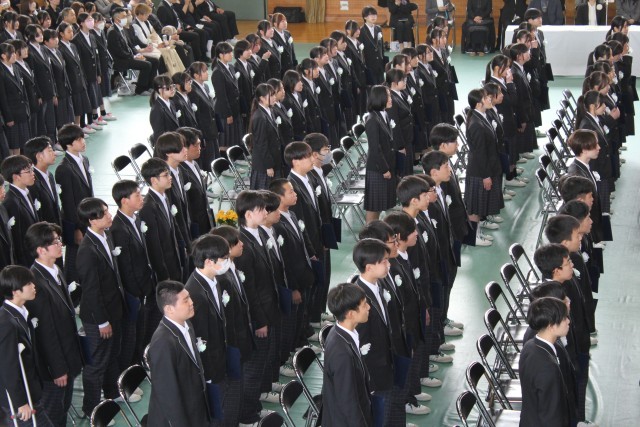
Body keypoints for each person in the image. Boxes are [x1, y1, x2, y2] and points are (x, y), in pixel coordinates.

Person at [24, 222, 83, 427]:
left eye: (59, 239)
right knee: (54, 414)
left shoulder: (55, 269)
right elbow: (46, 332)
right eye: (55, 242)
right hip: (55, 367)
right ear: (41, 250)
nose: (60, 244)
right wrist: (57, 369)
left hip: (68, 354)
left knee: (63, 408)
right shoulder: (35, 283)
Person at [234, 190, 281, 425]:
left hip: (268, 307)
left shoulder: (259, 234)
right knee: (253, 368)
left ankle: (256, 402)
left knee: (263, 361)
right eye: (261, 209)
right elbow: (249, 290)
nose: (266, 212)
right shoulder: (242, 244)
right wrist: (260, 321)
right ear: (249, 214)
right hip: (258, 316)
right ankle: (247, 414)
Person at [76, 198, 126, 417]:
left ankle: (113, 393)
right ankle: (92, 409)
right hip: (98, 317)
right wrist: (102, 322)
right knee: (96, 364)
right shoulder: (87, 250)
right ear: (91, 220)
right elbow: (91, 290)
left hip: (113, 308)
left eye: (107, 211)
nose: (109, 215)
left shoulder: (106, 235)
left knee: (112, 355)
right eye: (103, 213)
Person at [147, 280, 211, 426]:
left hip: (195, 406)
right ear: (169, 309)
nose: (191, 302)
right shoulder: (163, 342)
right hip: (180, 417)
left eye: (189, 297)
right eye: (185, 300)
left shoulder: (186, 324)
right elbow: (167, 392)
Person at [209, 225, 253, 426]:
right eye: (237, 242)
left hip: (240, 340)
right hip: (232, 344)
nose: (242, 244)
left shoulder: (232, 268)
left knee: (238, 388)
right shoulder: (221, 278)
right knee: (231, 394)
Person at [352, 238, 399, 425]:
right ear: (369, 267)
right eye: (384, 261)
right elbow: (361, 343)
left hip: (386, 362)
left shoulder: (380, 285)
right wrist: (369, 379)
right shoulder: (358, 298)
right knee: (377, 416)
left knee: (387, 411)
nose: (389, 264)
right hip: (374, 370)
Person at [0, 265, 54, 427]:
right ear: (16, 291)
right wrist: (20, 402)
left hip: (32, 391)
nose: (33, 286)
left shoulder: (20, 312)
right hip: (21, 401)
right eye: (28, 284)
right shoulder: (6, 323)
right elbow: (8, 367)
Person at [110, 180, 156, 370]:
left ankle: (140, 360)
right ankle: (129, 369)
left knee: (141, 330)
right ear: (124, 200)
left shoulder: (135, 219)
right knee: (130, 334)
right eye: (137, 195)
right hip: (133, 292)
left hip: (144, 284)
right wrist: (137, 293)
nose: (141, 197)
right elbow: (125, 267)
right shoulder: (118, 229)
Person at [185, 234, 230, 423]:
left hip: (219, 357)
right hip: (210, 366)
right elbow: (200, 338)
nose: (227, 262)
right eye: (224, 258)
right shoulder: (196, 294)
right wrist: (208, 375)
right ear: (209, 261)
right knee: (213, 414)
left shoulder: (213, 280)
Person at [322, 282, 373, 426]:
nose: (368, 307)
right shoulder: (341, 353)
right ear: (350, 314)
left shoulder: (340, 332)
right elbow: (348, 403)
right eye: (364, 304)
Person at [519, 296, 571, 426]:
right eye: (564, 318)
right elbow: (551, 417)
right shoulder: (548, 367)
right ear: (551, 326)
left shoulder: (530, 345)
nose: (568, 321)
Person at [463, 88, 504, 244]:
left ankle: (478, 231)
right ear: (479, 103)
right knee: (475, 206)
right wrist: (486, 176)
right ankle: (473, 238)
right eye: (486, 97)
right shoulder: (476, 124)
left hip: (486, 167)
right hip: (479, 171)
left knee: (481, 204)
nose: (490, 99)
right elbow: (480, 153)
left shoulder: (481, 116)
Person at [54, 124, 93, 284]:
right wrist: (76, 228)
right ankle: (73, 289)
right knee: (74, 258)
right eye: (78, 139)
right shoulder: (63, 169)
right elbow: (68, 202)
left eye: (82, 137)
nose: (83, 142)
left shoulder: (85, 160)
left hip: (88, 216)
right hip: (76, 220)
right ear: (68, 144)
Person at [155, 132, 191, 281]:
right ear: (169, 153)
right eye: (181, 148)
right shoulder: (164, 181)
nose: (186, 150)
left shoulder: (179, 170)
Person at [364, 85, 396, 223]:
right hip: (378, 168)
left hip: (385, 165)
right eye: (388, 96)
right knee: (374, 206)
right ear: (379, 98)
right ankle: (369, 232)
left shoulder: (383, 115)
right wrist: (384, 169)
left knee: (379, 204)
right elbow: (375, 148)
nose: (390, 98)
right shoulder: (372, 120)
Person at [0, 155, 39, 267]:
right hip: (25, 261)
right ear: (16, 176)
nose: (33, 173)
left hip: (34, 253)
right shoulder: (10, 202)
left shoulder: (26, 192)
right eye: (28, 171)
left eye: (32, 169)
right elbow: (16, 239)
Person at [107, 8, 154, 96]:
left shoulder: (122, 29)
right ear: (117, 19)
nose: (126, 18)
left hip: (128, 57)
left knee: (154, 60)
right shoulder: (112, 32)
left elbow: (130, 45)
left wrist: (138, 54)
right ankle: (140, 89)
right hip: (120, 60)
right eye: (124, 16)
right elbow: (119, 52)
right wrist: (133, 57)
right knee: (147, 65)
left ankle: (149, 86)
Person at [177, 127, 213, 238]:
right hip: (195, 225)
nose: (200, 148)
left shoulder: (195, 164)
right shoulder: (180, 171)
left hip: (205, 219)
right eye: (196, 145)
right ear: (185, 148)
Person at [24, 25, 57, 143]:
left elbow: (50, 71)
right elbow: (33, 76)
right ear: (30, 36)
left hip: (49, 89)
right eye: (37, 34)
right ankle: (44, 144)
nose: (41, 36)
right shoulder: (29, 52)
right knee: (42, 121)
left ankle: (53, 141)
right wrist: (38, 94)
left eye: (41, 33)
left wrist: (54, 91)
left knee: (51, 119)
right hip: (40, 92)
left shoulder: (43, 48)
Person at [0, 42, 31, 156]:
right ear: (3, 55)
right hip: (11, 114)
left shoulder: (16, 67)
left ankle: (20, 162)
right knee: (13, 144)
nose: (14, 55)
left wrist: (26, 107)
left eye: (14, 52)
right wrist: (8, 117)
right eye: (11, 53)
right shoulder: (2, 71)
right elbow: (2, 97)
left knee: (21, 142)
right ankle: (14, 163)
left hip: (21, 111)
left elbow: (23, 90)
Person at [23, 137, 61, 229]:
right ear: (39, 156)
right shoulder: (32, 182)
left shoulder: (49, 175)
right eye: (50, 150)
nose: (54, 153)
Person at [249, 83, 282, 190]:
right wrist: (268, 166)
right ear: (262, 98)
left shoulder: (269, 110)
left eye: (274, 94)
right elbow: (261, 144)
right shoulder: (259, 117)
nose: (274, 97)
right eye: (271, 95)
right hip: (264, 165)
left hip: (273, 159)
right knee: (265, 195)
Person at [187, 61, 219, 171]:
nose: (207, 73)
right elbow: (197, 115)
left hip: (212, 127)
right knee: (208, 158)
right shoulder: (193, 91)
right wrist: (202, 134)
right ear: (196, 75)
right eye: (204, 71)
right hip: (204, 130)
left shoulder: (205, 86)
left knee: (215, 155)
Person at [212, 41, 242, 149]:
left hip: (233, 107)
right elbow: (222, 96)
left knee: (233, 138)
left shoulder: (230, 67)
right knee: (225, 140)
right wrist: (228, 114)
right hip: (224, 112)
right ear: (221, 55)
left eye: (231, 52)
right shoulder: (218, 72)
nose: (231, 54)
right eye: (228, 52)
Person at [42, 29, 75, 131]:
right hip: (57, 90)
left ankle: (70, 133)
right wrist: (54, 93)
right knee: (60, 117)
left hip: (65, 87)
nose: (56, 40)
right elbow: (51, 76)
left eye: (56, 37)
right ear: (46, 42)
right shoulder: (46, 54)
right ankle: (62, 136)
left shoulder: (58, 51)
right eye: (53, 38)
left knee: (68, 114)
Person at [149, 75, 180, 145]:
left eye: (173, 86)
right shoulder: (156, 110)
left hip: (175, 141)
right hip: (168, 145)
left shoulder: (171, 102)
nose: (172, 89)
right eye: (168, 88)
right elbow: (159, 136)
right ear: (160, 90)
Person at [359, 6, 385, 86]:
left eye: (375, 15)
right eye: (371, 15)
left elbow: (381, 46)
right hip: (369, 63)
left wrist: (382, 58)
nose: (373, 17)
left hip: (379, 64)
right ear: (365, 17)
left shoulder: (378, 28)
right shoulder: (361, 30)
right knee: (372, 87)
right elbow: (361, 49)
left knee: (381, 85)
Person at [0, 174, 16, 270]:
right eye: (1, 187)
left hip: (8, 267)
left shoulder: (2, 208)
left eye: (3, 187)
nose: (4, 190)